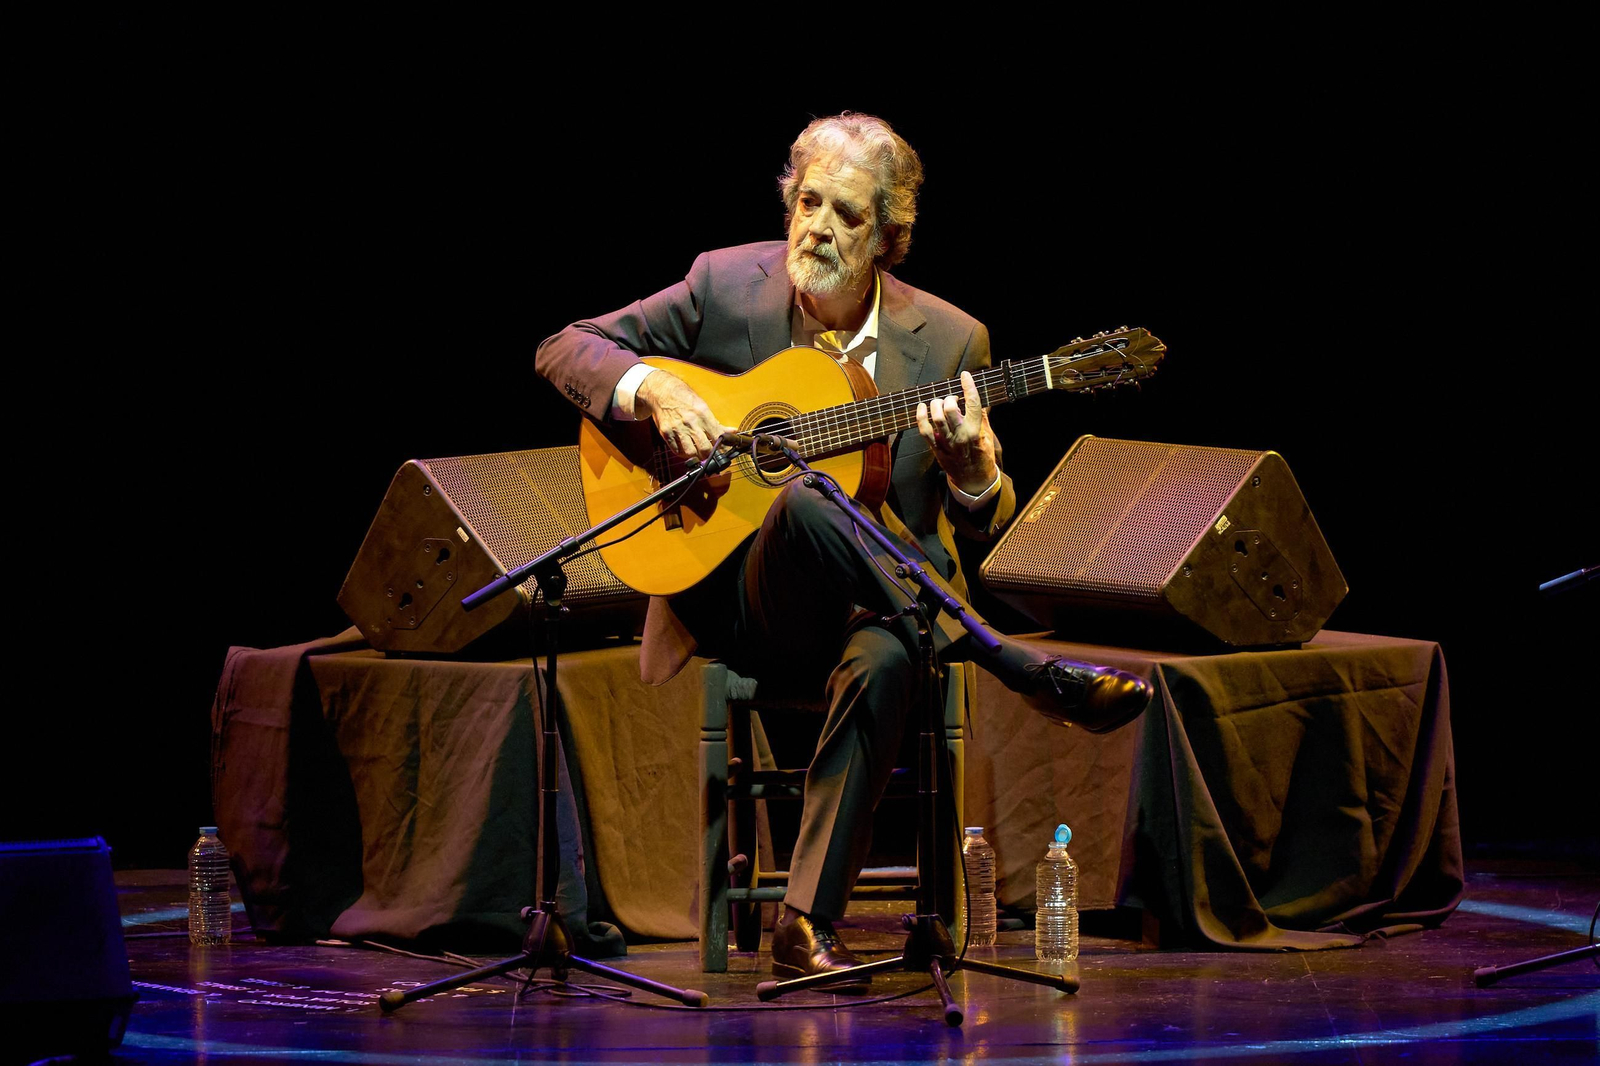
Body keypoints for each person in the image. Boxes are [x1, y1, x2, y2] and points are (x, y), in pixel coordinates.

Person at [536, 113, 1149, 987]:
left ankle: (803, 925)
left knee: (891, 657)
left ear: (889, 239)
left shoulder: (950, 343)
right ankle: (1010, 664)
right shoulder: (723, 284)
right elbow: (565, 348)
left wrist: (974, 474)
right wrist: (656, 386)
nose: (817, 227)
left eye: (847, 215)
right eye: (808, 202)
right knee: (807, 496)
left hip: (880, 608)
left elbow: (981, 520)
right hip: (741, 600)